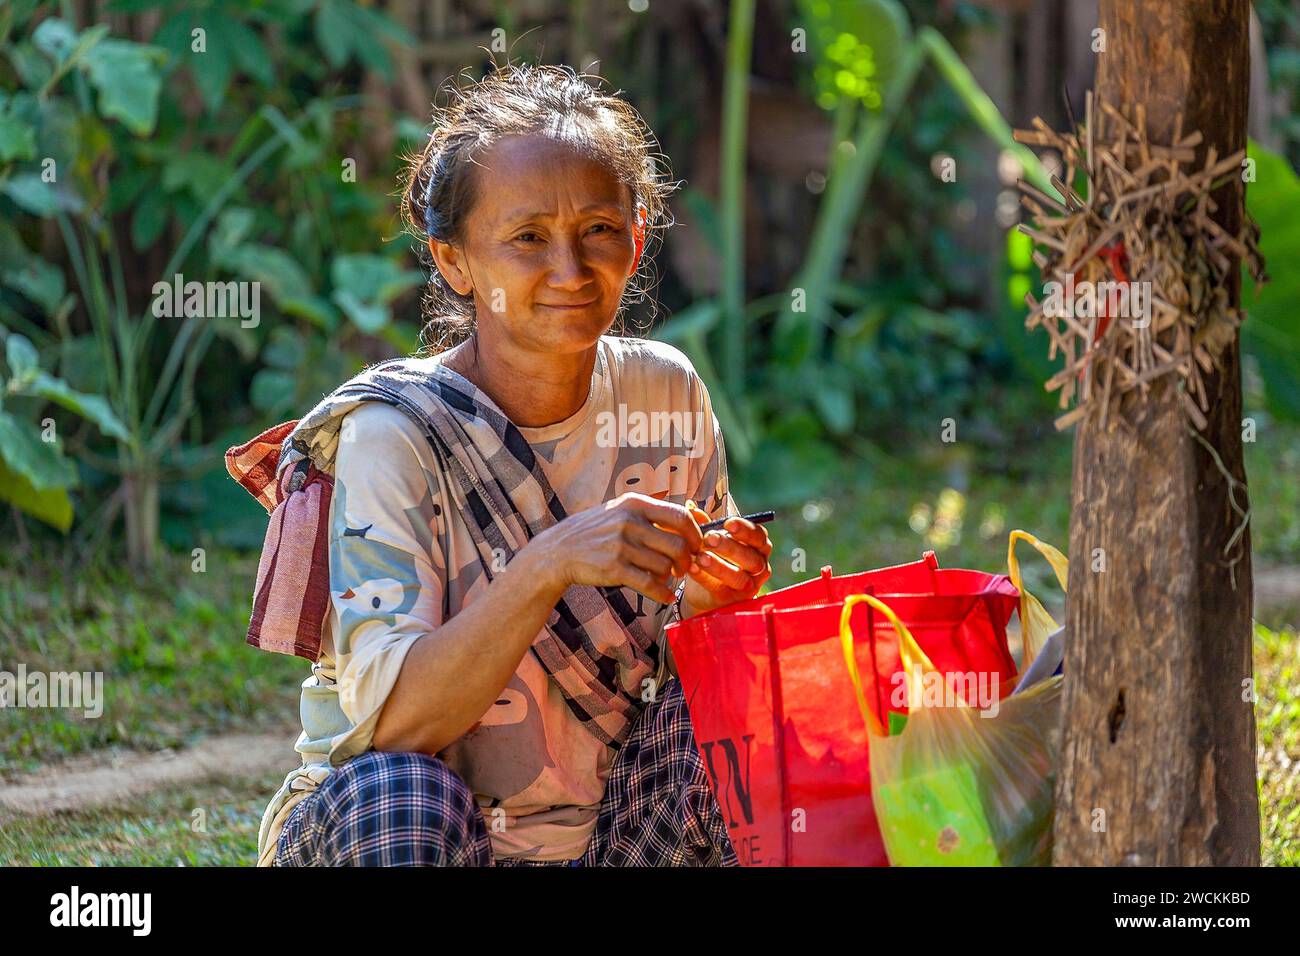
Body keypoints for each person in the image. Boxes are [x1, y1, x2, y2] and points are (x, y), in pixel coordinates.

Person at [259, 63, 772, 867]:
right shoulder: (396, 435)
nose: (570, 270)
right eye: (527, 238)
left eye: (598, 230)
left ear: (635, 243)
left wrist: (712, 595)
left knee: (742, 722)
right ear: (456, 261)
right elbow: (392, 729)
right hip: (401, 837)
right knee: (400, 796)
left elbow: (683, 679)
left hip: (608, 838)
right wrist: (549, 565)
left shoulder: (664, 393)